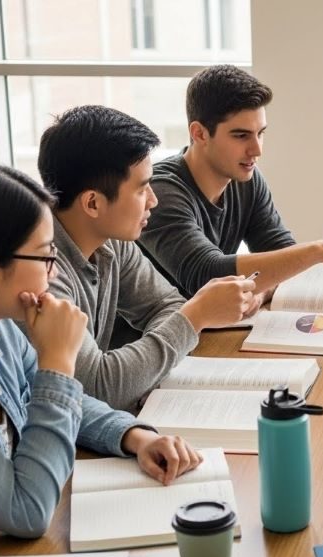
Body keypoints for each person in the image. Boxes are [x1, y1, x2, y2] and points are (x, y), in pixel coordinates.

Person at [0, 161, 202, 540]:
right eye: (46, 257)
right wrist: (59, 362)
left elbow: (64, 403)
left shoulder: (4, 333)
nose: (55, 273)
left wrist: (133, 436)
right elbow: (28, 510)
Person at [38, 105, 254, 412]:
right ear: (92, 203)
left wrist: (138, 371)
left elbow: (166, 304)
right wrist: (195, 317)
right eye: (141, 189)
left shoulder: (111, 240)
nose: (153, 200)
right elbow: (100, 388)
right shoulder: (38, 273)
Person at [139, 65, 323, 300]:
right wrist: (317, 251)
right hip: (149, 342)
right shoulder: (159, 192)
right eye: (241, 136)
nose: (256, 150)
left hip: (208, 333)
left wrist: (260, 294)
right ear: (199, 133)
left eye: (261, 133)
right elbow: (206, 274)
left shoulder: (246, 179)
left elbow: (283, 258)